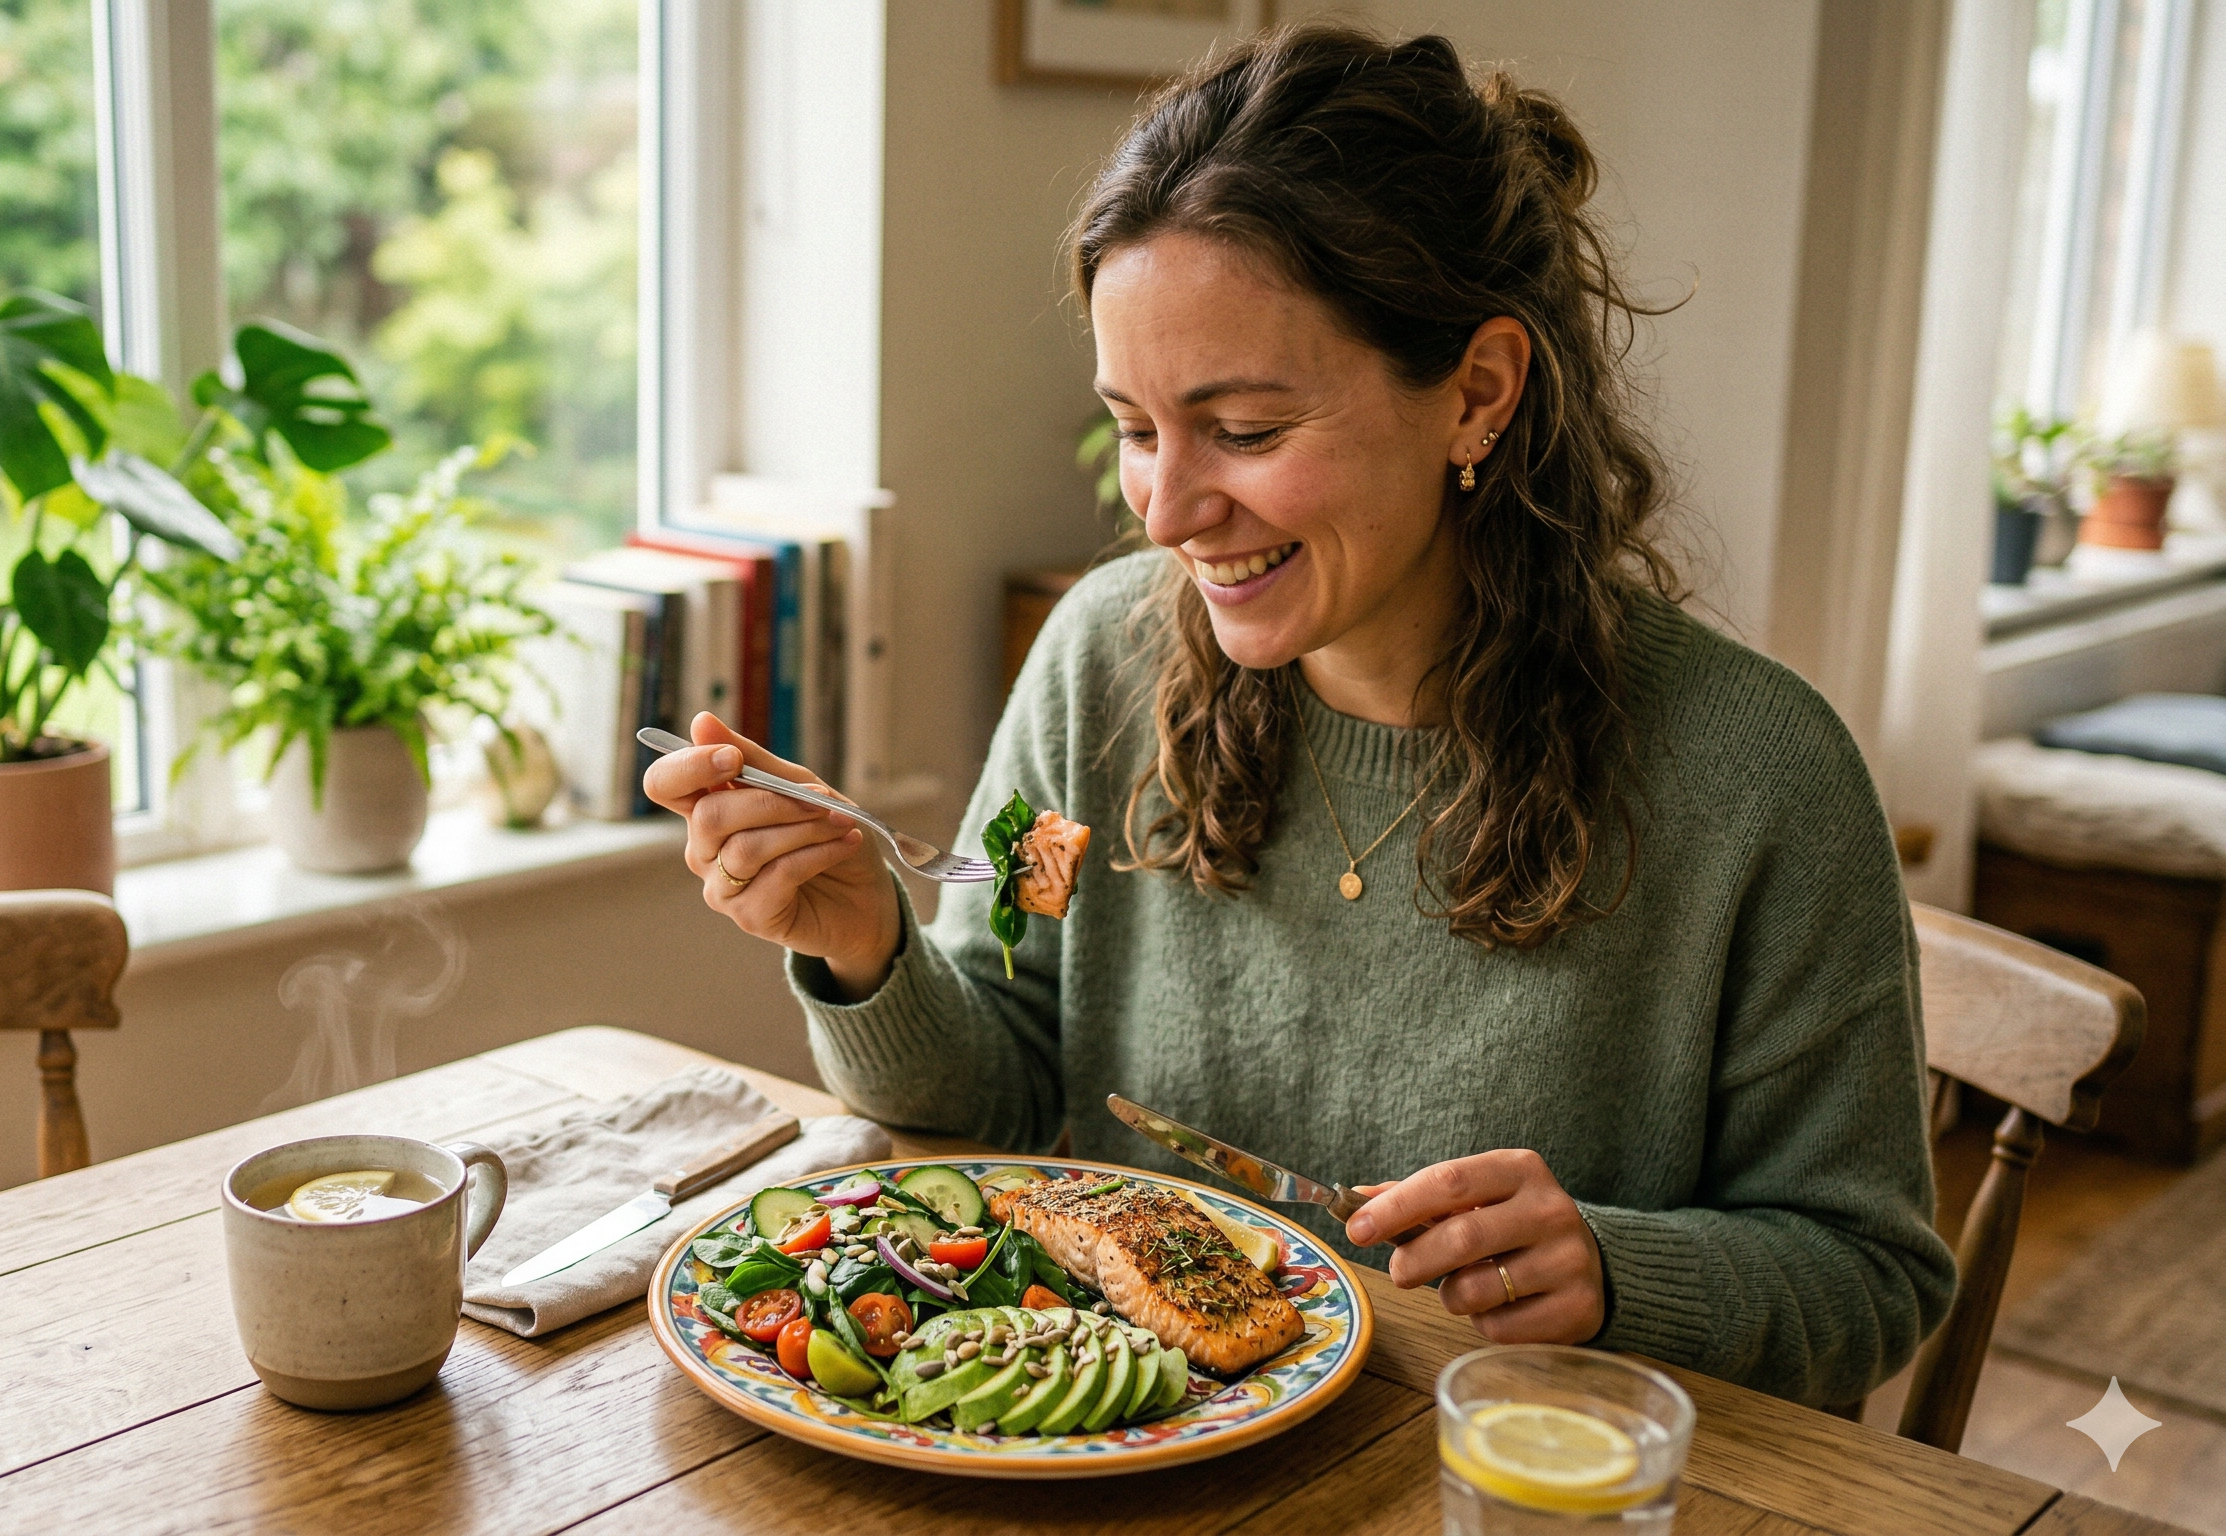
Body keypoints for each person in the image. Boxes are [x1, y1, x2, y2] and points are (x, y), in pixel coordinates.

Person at [643, 25, 1952, 1407]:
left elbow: (1870, 1279)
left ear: (1478, 393)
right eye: (1138, 428)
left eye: (1248, 431)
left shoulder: (1761, 783)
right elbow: (1006, 1089)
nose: (1165, 508)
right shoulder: (1093, 674)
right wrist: (864, 943)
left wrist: (1617, 1276)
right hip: (1129, 1467)